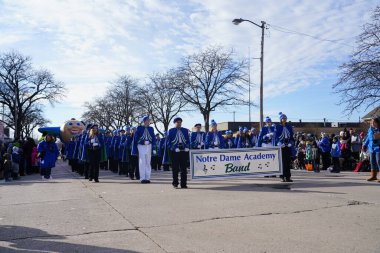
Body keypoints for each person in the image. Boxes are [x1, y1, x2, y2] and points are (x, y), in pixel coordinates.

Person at [166, 117, 190, 189]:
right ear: (175, 123)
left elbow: (188, 140)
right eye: (177, 122)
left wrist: (187, 146)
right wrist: (174, 148)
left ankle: (183, 184)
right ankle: (175, 183)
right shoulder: (171, 131)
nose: (179, 123)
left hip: (183, 151)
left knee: (183, 168)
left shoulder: (185, 130)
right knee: (175, 168)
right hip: (175, 151)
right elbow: (168, 142)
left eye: (180, 122)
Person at [132, 116, 156, 184]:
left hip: (149, 145)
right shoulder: (139, 128)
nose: (148, 121)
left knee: (148, 162)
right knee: (142, 161)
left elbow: (153, 137)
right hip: (141, 146)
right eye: (147, 120)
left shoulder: (151, 129)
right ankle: (142, 178)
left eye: (149, 120)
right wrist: (142, 142)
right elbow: (136, 137)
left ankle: (147, 177)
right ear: (144, 121)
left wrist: (153, 145)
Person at [275, 112, 295, 182]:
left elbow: (292, 137)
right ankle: (282, 176)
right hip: (281, 145)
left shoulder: (289, 126)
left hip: (288, 145)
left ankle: (288, 177)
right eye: (283, 118)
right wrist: (279, 143)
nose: (284, 120)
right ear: (280, 119)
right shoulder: (277, 127)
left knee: (288, 161)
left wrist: (291, 143)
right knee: (282, 162)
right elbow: (276, 137)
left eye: (285, 118)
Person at [364, 117, 380, 182]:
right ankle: (373, 176)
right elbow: (368, 138)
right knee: (372, 162)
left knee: (379, 161)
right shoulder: (370, 129)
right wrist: (365, 144)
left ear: (378, 123)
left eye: (374, 122)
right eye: (371, 122)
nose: (373, 123)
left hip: (378, 148)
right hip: (371, 148)